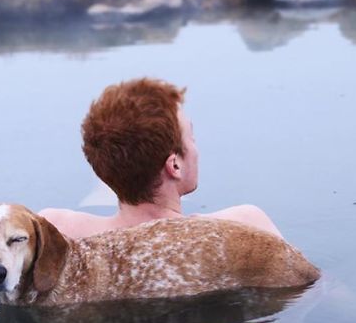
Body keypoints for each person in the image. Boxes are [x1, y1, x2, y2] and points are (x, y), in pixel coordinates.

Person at [40, 77, 283, 240]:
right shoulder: (246, 225)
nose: (196, 149)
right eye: (192, 137)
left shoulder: (56, 232)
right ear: (174, 165)